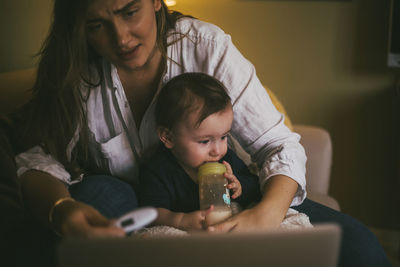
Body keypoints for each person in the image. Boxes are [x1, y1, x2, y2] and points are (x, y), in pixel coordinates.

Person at [13, 0, 389, 266]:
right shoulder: (75, 74)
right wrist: (62, 209)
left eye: (130, 12)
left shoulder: (205, 48)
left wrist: (263, 217)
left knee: (360, 248)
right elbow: (39, 162)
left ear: (156, 1)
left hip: (224, 204)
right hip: (135, 206)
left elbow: (278, 144)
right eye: (97, 25)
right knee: (97, 194)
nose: (122, 38)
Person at [139, 72, 262, 231]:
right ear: (168, 137)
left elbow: (256, 187)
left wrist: (238, 185)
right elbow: (152, 213)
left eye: (224, 137)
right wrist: (181, 220)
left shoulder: (226, 160)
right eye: (204, 141)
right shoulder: (157, 170)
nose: (217, 151)